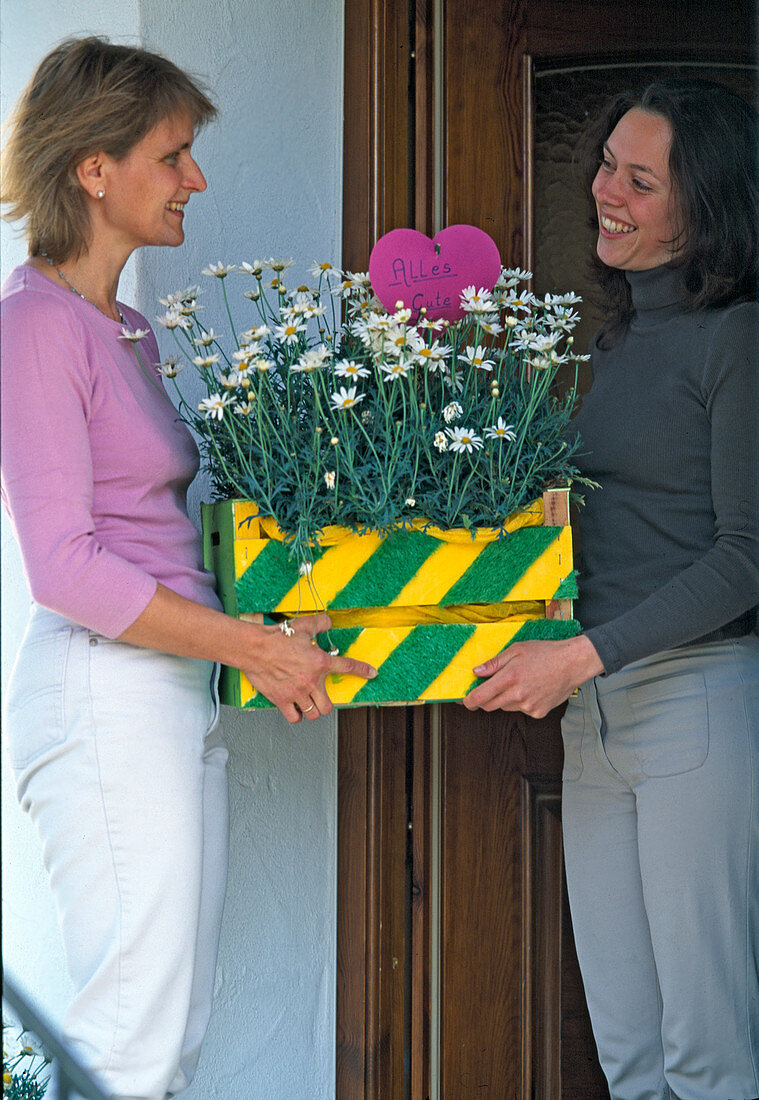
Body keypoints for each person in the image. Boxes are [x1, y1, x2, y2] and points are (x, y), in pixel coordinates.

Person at [0, 36, 376, 1100]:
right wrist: (252, 645)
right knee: (130, 1041)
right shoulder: (34, 329)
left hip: (163, 688)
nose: (195, 179)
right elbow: (66, 567)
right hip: (102, 689)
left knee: (166, 1035)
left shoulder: (118, 328)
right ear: (94, 167)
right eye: (173, 155)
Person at [465, 80, 759, 1099]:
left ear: (706, 207)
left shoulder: (738, 340)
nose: (607, 192)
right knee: (629, 1054)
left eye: (642, 179)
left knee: (707, 1056)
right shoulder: (612, 338)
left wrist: (579, 655)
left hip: (695, 705)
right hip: (590, 712)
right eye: (606, 165)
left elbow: (747, 557)